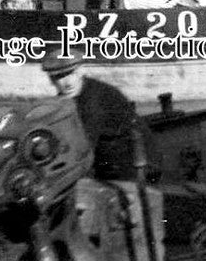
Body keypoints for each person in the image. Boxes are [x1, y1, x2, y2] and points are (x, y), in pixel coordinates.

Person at [42, 50, 139, 180]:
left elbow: (84, 151)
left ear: (81, 71)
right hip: (107, 158)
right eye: (60, 76)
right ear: (52, 80)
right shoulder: (70, 97)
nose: (68, 82)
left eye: (72, 73)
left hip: (130, 165)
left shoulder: (93, 99)